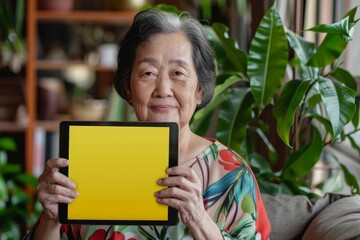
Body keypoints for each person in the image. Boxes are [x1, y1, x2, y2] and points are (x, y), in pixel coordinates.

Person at [25, 8, 270, 240]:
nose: (163, 89)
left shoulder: (231, 174)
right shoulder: (89, 163)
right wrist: (50, 219)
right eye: (147, 73)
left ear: (200, 90)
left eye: (178, 73)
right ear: (128, 89)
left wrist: (198, 218)